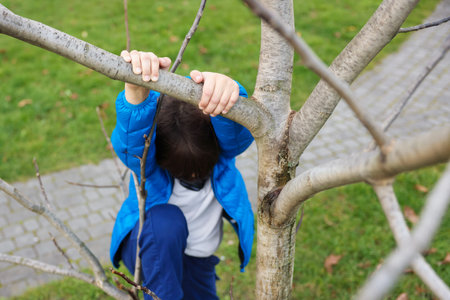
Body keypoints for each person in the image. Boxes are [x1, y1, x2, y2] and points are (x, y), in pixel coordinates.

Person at [109, 50, 255, 299]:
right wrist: (136, 96)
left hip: (198, 259)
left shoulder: (224, 153)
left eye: (201, 169)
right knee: (167, 220)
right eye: (182, 172)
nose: (195, 174)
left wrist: (228, 95)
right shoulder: (150, 166)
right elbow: (132, 144)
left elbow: (236, 132)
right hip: (149, 246)